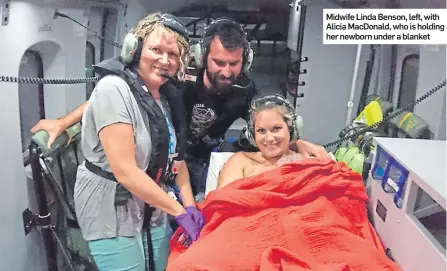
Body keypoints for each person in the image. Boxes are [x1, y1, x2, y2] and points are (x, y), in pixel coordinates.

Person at [30, 17, 329, 201]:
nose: (227, 71)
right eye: (219, 63)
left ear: (244, 62)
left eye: (234, 64)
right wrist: (62, 121)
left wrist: (298, 142)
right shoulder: (177, 78)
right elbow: (119, 95)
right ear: (202, 58)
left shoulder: (244, 89)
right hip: (172, 156)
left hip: (207, 155)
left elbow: (269, 121)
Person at [70, 13, 203, 271]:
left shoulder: (165, 97)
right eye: (156, 49)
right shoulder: (113, 89)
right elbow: (126, 172)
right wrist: (179, 212)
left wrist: (190, 204)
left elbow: (176, 160)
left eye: (173, 55)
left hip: (152, 206)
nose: (165, 60)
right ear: (135, 49)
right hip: (110, 209)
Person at [217, 93, 308, 189]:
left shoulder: (306, 162)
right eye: (261, 131)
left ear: (291, 129)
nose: (269, 138)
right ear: (252, 135)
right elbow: (224, 200)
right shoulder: (239, 161)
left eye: (276, 129)